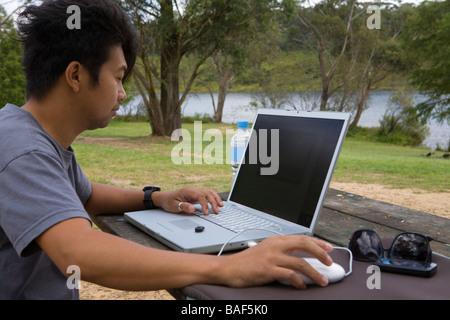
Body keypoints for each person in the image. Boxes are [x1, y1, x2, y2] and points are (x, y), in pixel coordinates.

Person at [0, 0, 333, 300]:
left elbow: (83, 197)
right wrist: (230, 268)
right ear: (75, 75)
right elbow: (79, 253)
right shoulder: (22, 149)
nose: (122, 94)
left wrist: (156, 197)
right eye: (118, 78)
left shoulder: (32, 136)